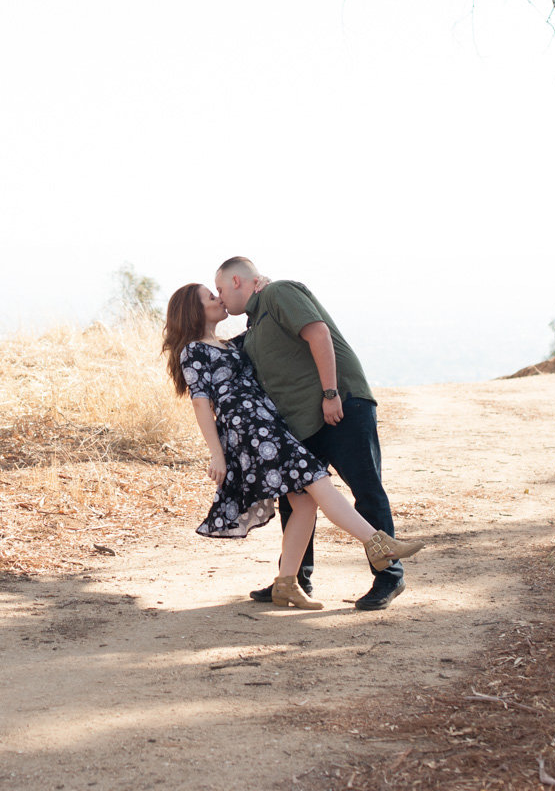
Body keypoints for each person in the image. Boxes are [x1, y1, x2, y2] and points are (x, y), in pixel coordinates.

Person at [162, 283, 423, 609]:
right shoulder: (193, 351)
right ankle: (379, 544)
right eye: (210, 297)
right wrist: (217, 454)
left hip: (269, 427)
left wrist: (265, 290)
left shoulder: (230, 345)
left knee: (304, 504)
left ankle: (288, 583)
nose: (218, 300)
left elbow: (273, 338)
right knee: (317, 481)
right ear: (194, 310)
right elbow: (201, 404)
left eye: (218, 292)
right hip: (253, 434)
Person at [214, 256, 408, 611]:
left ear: (239, 281)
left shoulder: (278, 292)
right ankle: (293, 581)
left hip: (340, 407)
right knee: (297, 499)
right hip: (302, 422)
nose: (221, 298)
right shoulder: (256, 323)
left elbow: (318, 332)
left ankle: (389, 577)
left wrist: (331, 393)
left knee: (365, 490)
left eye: (221, 289)